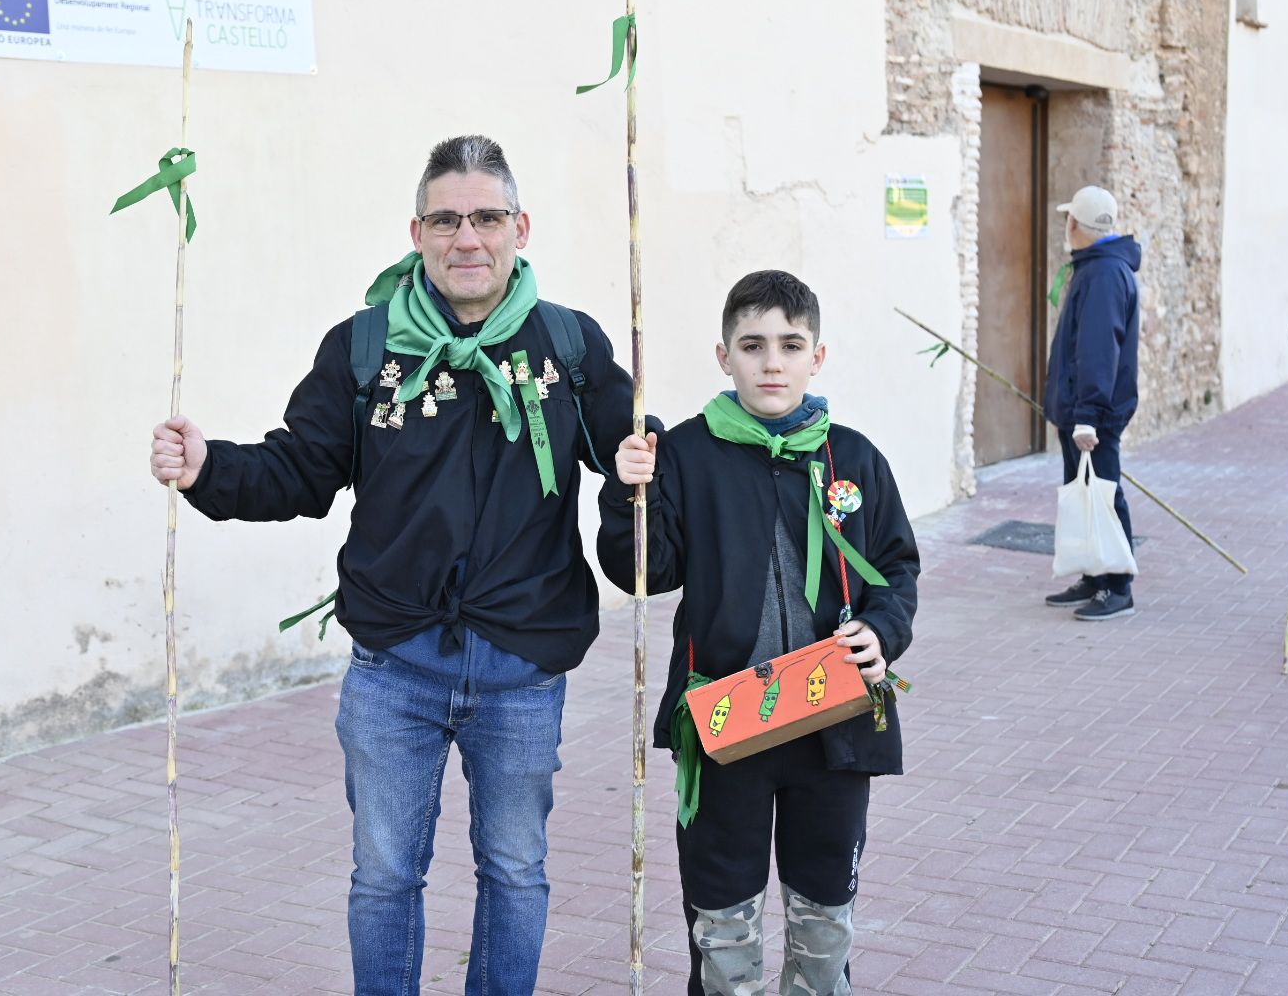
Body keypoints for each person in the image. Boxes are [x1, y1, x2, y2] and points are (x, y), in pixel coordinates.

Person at [148, 135, 641, 995]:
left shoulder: (567, 345)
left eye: (487, 217)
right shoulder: (366, 346)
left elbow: (628, 466)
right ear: (416, 232)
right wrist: (207, 468)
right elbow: (299, 469)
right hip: (393, 668)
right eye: (446, 220)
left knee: (516, 872)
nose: (468, 239)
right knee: (383, 878)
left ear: (520, 227)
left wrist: (650, 468)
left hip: (522, 668)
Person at [596, 270, 919, 996]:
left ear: (818, 356)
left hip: (833, 723)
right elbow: (641, 570)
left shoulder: (854, 458)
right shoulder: (685, 453)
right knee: (723, 917)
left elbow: (896, 567)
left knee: (824, 912)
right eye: (753, 345)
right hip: (725, 724)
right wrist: (628, 491)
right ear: (724, 356)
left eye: (790, 345)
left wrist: (883, 628)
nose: (772, 361)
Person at [1042, 185, 1142, 621]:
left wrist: (1087, 416)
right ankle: (1094, 577)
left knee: (1102, 494)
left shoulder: (1103, 274)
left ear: (1076, 225)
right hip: (1085, 410)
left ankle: (1118, 587)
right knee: (1084, 494)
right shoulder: (1097, 267)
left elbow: (1100, 351)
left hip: (1094, 414)